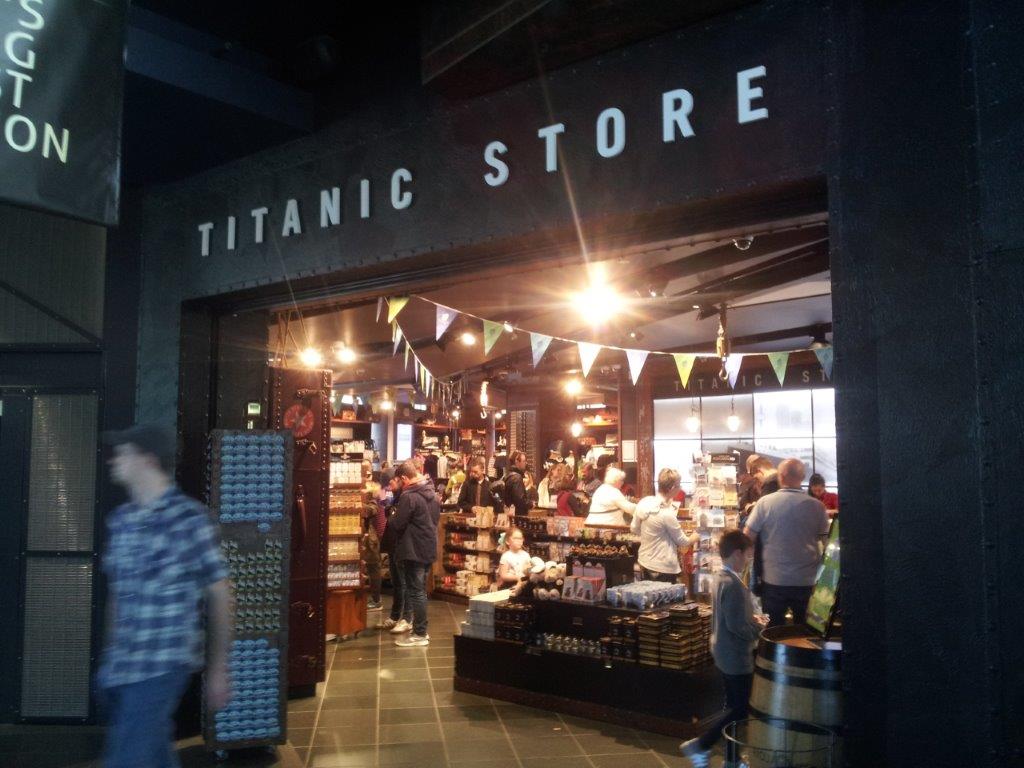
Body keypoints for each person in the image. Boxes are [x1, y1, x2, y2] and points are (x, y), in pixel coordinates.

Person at [98, 424, 232, 768]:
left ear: (147, 459)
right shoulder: (121, 520)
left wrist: (218, 669)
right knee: (152, 753)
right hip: (122, 667)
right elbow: (117, 594)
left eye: (123, 453)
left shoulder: (189, 520)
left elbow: (219, 594)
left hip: (162, 665)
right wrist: (111, 652)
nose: (113, 460)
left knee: (127, 759)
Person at [680, 530, 768, 766]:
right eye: (747, 555)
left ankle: (731, 759)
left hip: (723, 650)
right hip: (735, 654)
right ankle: (701, 745)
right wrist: (759, 629)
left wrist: (751, 620)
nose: (748, 560)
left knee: (733, 707)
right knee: (740, 710)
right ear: (737, 553)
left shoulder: (721, 577)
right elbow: (737, 626)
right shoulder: (734, 585)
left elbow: (731, 618)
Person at [744, 458, 830, 627]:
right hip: (807, 580)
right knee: (805, 630)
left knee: (773, 630)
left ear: (780, 477)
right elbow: (826, 543)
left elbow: (747, 537)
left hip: (773, 580)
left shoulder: (764, 503)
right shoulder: (817, 507)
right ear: (803, 477)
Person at [388, 460, 441, 647]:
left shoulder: (409, 496)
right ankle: (419, 630)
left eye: (399, 481)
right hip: (428, 547)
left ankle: (420, 633)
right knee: (420, 591)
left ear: (404, 478)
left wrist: (392, 514)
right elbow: (435, 519)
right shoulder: (433, 494)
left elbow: (397, 524)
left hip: (413, 549)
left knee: (416, 592)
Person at [631, 468, 700, 582]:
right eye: (678, 485)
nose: (680, 488)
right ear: (671, 488)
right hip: (663, 566)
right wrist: (698, 534)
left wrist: (653, 535)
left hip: (644, 560)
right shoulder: (666, 513)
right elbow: (683, 541)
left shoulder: (644, 502)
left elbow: (634, 528)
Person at [379, 469, 414, 634]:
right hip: (394, 544)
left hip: (402, 545)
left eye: (391, 482)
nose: (389, 485)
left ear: (399, 479)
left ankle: (407, 618)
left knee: (404, 583)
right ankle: (395, 616)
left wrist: (390, 513)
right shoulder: (397, 497)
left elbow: (398, 522)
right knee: (397, 583)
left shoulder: (405, 497)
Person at [503, 451, 534, 516]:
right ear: (517, 461)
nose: (526, 463)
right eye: (524, 461)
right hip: (518, 515)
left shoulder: (508, 475)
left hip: (510, 513)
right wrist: (530, 504)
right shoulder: (517, 478)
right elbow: (519, 500)